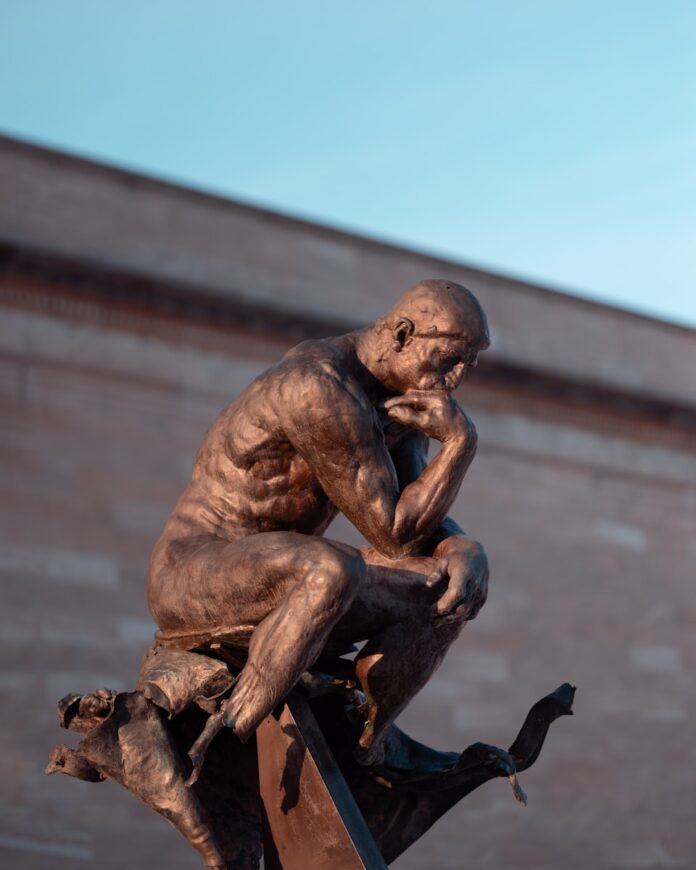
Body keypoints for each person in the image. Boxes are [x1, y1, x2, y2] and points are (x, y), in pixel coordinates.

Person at [147, 279, 490, 775]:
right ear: (401, 335)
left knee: (450, 588)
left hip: (286, 570)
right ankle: (230, 733)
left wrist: (462, 546)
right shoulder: (318, 385)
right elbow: (392, 533)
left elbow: (418, 512)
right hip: (194, 569)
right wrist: (461, 444)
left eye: (466, 366)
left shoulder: (399, 396)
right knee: (331, 567)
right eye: (447, 359)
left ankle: (367, 747)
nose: (453, 380)